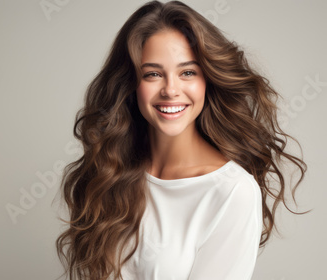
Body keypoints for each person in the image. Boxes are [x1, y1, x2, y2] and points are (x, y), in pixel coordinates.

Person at [55, 1, 308, 279]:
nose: (171, 90)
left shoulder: (232, 192)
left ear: (207, 80)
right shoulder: (110, 172)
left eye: (187, 72)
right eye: (153, 74)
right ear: (131, 84)